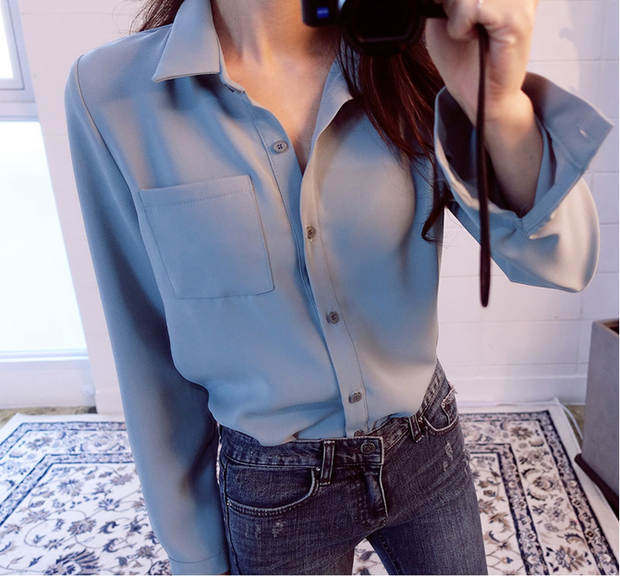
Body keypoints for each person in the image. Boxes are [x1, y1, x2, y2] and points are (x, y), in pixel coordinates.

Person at [63, 0, 613, 574]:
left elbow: (563, 261)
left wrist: (498, 106)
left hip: (426, 444)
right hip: (275, 489)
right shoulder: (110, 93)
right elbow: (144, 341)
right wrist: (195, 555)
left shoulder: (411, 51)